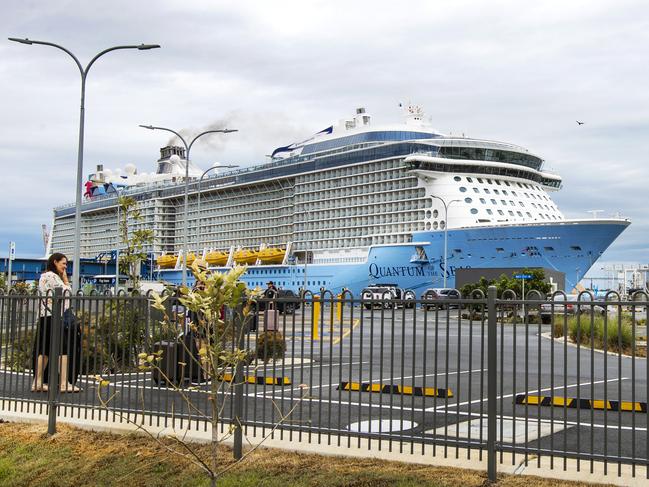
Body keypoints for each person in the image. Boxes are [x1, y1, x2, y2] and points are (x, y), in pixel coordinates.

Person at [31, 253, 81, 393]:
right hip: (54, 316)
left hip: (44, 316)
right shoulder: (52, 277)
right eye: (63, 263)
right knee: (63, 350)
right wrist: (66, 280)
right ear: (55, 262)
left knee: (44, 350)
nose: (65, 267)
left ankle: (37, 382)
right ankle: (64, 384)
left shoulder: (44, 276)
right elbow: (66, 292)